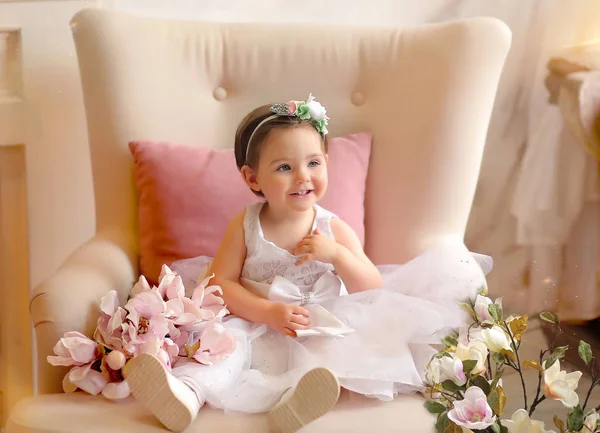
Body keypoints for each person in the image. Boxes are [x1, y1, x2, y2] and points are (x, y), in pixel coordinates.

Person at [123, 94, 491, 433]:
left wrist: (337, 255)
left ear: (326, 164)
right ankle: (185, 394)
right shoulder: (246, 225)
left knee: (324, 356)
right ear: (253, 178)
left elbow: (371, 286)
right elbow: (222, 283)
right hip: (254, 320)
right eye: (284, 167)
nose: (303, 177)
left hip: (317, 325)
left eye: (313, 163)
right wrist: (267, 312)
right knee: (225, 350)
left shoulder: (332, 228)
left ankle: (296, 403)